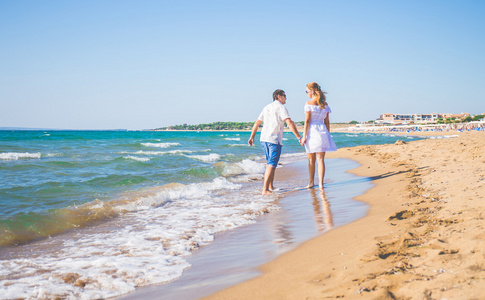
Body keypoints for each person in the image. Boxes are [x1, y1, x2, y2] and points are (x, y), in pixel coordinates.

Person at [248, 89, 302, 195]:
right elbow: (289, 122)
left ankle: (270, 186)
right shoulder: (281, 108)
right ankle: (265, 190)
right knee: (272, 164)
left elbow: (257, 123)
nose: (286, 98)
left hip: (263, 139)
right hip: (274, 139)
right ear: (278, 96)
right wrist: (299, 137)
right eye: (284, 95)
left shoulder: (266, 107)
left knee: (270, 163)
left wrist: (252, 137)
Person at [300, 82, 337, 189]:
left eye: (307, 91)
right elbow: (327, 122)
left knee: (311, 159)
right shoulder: (325, 105)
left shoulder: (308, 104)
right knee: (321, 159)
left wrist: (304, 136)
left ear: (312, 91)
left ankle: (311, 182)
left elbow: (307, 121)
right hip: (322, 131)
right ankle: (321, 184)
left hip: (312, 132)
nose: (306, 93)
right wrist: (328, 135)